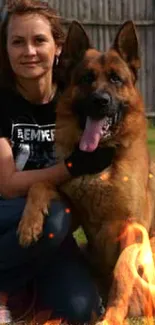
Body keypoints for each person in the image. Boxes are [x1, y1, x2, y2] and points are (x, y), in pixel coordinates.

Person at [0, 0, 115, 324]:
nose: (29, 51)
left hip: (51, 231)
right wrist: (71, 168)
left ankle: (22, 282)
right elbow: (7, 186)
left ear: (58, 47)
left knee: (82, 311)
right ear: (6, 49)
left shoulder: (77, 97)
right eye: (17, 42)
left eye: (39, 40)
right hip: (6, 211)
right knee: (56, 215)